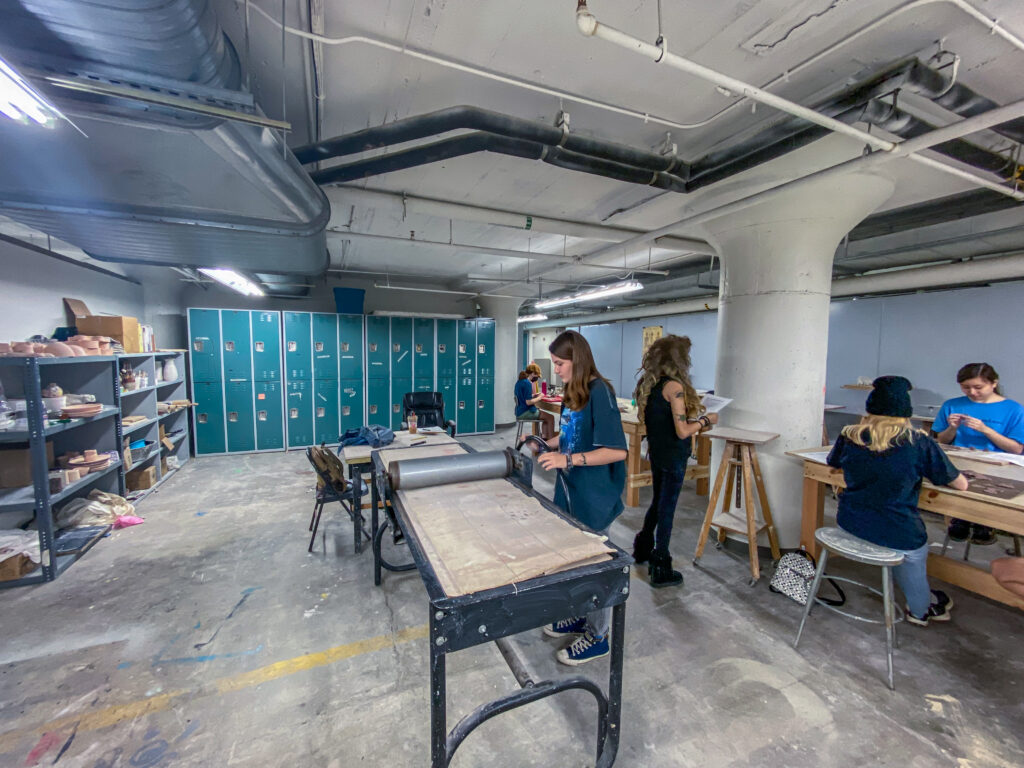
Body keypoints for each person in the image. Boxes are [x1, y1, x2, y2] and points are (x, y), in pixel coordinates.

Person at [827, 376, 969, 626]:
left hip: (850, 522)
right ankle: (920, 610)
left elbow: (833, 463)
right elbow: (960, 484)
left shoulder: (850, 435)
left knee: (899, 537)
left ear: (870, 409)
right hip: (897, 531)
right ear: (905, 411)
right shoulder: (918, 441)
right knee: (913, 549)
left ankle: (921, 600)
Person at [527, 330, 627, 665]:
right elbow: (572, 435)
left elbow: (615, 451)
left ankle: (598, 636)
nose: (555, 369)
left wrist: (567, 460)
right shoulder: (575, 392)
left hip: (594, 496)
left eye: (559, 363)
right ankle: (583, 616)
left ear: (577, 361)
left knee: (594, 568)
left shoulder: (601, 392)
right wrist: (546, 444)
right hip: (571, 492)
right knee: (576, 564)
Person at [631, 335, 717, 587]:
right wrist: (706, 420)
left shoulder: (650, 385)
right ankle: (661, 564)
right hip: (673, 455)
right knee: (667, 508)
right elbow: (682, 431)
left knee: (658, 502)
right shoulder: (674, 387)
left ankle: (643, 548)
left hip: (657, 452)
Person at [932, 363, 1024, 544]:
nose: (972, 392)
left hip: (999, 471)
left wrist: (986, 430)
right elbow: (942, 441)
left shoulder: (1014, 409)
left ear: (993, 383)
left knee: (985, 500)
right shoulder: (952, 405)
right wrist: (952, 428)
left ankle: (985, 524)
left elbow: (1016, 449)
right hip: (961, 465)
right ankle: (960, 520)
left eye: (978, 387)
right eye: (966, 388)